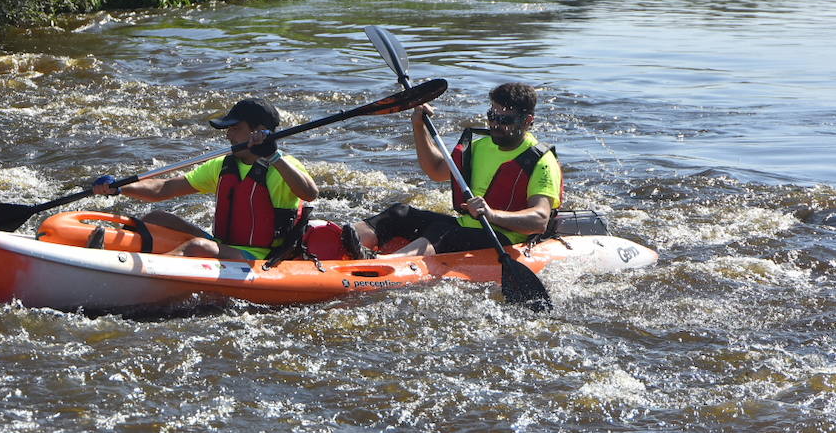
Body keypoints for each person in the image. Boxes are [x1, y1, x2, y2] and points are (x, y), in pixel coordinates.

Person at [346, 82, 562, 256]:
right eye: (492, 116)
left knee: (443, 231)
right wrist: (419, 126)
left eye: (505, 119)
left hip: (505, 238)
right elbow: (436, 170)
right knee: (399, 213)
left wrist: (491, 214)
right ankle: (344, 241)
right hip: (465, 226)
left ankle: (384, 264)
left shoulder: (541, 161)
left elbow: (539, 220)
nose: (495, 124)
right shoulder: (480, 147)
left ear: (527, 121)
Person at [91, 98, 319, 262]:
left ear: (258, 131)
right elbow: (164, 188)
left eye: (235, 128)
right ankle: (111, 254)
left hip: (260, 257)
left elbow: (310, 194)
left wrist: (273, 156)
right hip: (224, 245)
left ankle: (139, 275)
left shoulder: (282, 166)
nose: (228, 135)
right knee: (156, 218)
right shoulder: (223, 166)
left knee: (197, 247)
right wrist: (120, 187)